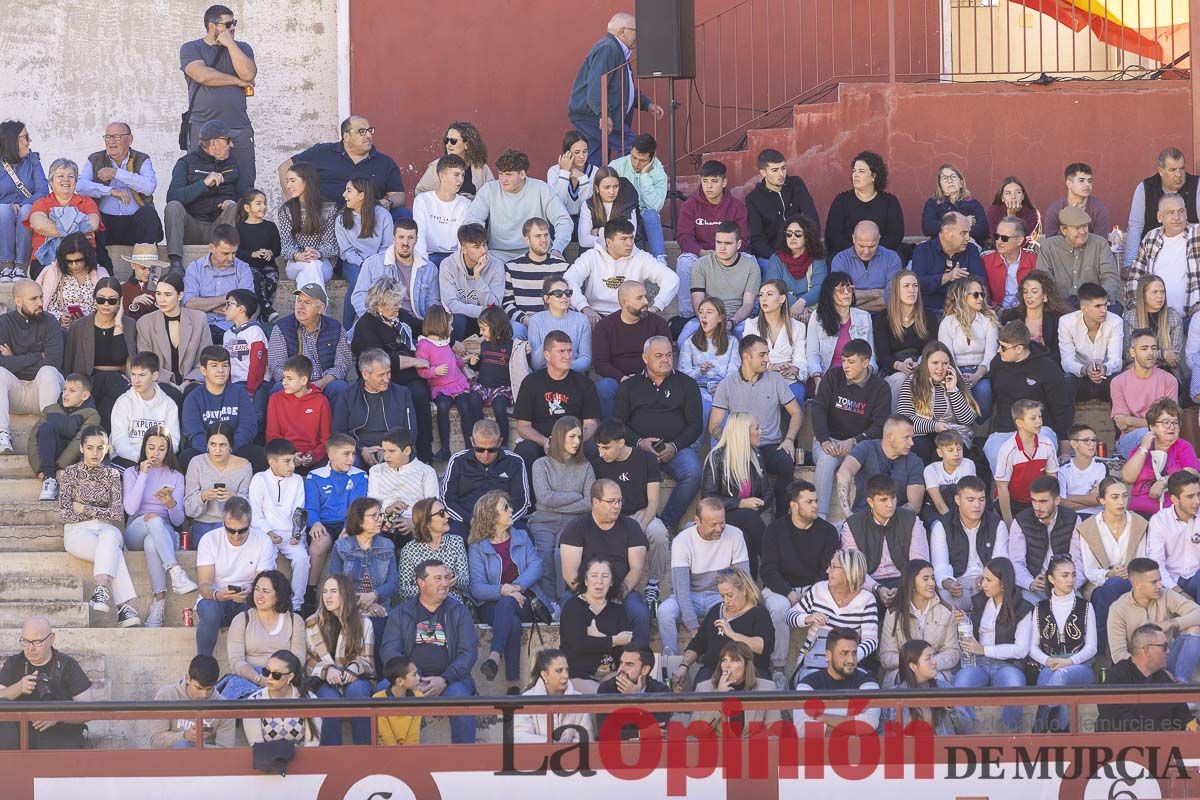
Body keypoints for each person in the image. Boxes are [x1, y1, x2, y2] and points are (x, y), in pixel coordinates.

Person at [379, 559, 478, 744]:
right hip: (408, 680)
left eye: (446, 578)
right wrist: (412, 679)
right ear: (421, 583)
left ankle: (464, 764)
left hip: (450, 680)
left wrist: (445, 678)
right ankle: (387, 761)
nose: (445, 583)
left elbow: (468, 653)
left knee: (461, 699)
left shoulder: (459, 612)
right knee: (379, 694)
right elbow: (390, 651)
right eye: (438, 578)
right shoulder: (401, 613)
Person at [612, 335, 704, 530]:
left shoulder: (687, 384)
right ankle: (629, 528)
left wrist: (675, 446)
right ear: (645, 358)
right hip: (638, 449)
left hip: (675, 447)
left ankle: (666, 525)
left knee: (694, 472)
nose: (665, 360)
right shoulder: (629, 386)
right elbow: (618, 424)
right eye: (659, 355)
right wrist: (639, 443)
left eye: (669, 355)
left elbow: (696, 425)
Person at [469, 491, 554, 693]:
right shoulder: (478, 547)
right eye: (505, 507)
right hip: (492, 605)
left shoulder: (522, 536)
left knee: (509, 603)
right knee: (512, 620)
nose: (511, 510)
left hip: (524, 600)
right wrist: (503, 590)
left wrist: (515, 588)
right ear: (491, 516)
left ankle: (494, 657)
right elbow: (477, 588)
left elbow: (536, 566)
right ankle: (513, 686)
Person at [57, 426, 142, 627]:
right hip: (77, 531)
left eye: (99, 448)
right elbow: (65, 513)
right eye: (90, 448)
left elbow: (116, 514)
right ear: (81, 448)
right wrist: (93, 511)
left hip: (106, 528)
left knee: (110, 536)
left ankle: (101, 589)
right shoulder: (70, 473)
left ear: (107, 449)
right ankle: (124, 608)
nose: (95, 453)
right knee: (113, 552)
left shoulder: (112, 475)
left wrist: (84, 508)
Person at [710, 335, 802, 516]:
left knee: (785, 463)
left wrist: (789, 439)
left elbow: (797, 412)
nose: (767, 359)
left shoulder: (775, 379)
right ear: (746, 356)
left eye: (767, 354)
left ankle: (782, 520)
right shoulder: (727, 384)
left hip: (769, 445)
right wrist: (732, 442)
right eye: (762, 355)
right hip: (740, 449)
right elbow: (714, 425)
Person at [759, 480, 840, 674]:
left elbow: (826, 571)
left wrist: (812, 594)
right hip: (781, 589)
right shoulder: (775, 530)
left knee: (830, 609)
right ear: (794, 505)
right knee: (779, 609)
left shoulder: (828, 531)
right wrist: (789, 594)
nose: (815, 506)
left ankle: (825, 667)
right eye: (809, 502)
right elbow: (768, 570)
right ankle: (778, 669)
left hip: (815, 588)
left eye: (816, 501)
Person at [567, 12, 665, 168]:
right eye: (636, 31)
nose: (638, 37)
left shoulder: (616, 50)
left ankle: (596, 189)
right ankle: (624, 187)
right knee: (631, 146)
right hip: (594, 115)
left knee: (594, 159)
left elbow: (625, 89)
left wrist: (647, 105)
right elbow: (596, 85)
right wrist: (603, 114)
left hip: (590, 114)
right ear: (622, 32)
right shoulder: (608, 48)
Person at [560, 480, 651, 646]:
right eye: (611, 501)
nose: (617, 506)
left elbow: (637, 569)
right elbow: (569, 573)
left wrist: (616, 596)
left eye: (620, 501)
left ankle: (637, 663)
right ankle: (571, 661)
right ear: (595, 502)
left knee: (639, 611)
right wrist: (591, 597)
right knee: (568, 605)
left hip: (621, 590)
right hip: (583, 591)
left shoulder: (631, 527)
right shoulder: (576, 528)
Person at [589, 420, 670, 606]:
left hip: (642, 513)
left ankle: (654, 583)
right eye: (599, 447)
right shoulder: (598, 465)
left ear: (621, 442)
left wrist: (639, 527)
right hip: (612, 514)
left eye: (606, 448)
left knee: (658, 533)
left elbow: (653, 501)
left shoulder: (646, 459)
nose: (602, 453)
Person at [123, 425, 195, 628]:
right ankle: (175, 571)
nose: (155, 453)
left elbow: (179, 520)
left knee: (152, 543)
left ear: (168, 450)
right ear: (144, 447)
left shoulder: (176, 476)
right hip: (136, 528)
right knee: (153, 519)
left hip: (164, 531)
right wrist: (143, 476)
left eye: (161, 448)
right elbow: (130, 508)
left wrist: (170, 503)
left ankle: (159, 605)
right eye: (151, 447)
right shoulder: (132, 472)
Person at [658, 499, 750, 658]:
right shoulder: (682, 540)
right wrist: (694, 627)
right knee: (665, 611)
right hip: (689, 595)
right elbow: (681, 589)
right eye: (712, 524)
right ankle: (671, 661)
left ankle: (730, 659)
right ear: (697, 521)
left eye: (722, 522)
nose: (719, 528)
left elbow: (743, 579)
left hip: (720, 595)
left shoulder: (735, 534)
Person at [951, 557, 1032, 732]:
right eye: (983, 578)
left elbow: (1021, 650)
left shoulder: (1023, 607)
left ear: (1003, 584)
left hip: (1008, 665)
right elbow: (974, 633)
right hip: (978, 663)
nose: (983, 584)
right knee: (958, 687)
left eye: (989, 580)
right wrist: (964, 621)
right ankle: (968, 737)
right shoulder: (980, 602)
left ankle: (1009, 738)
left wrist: (984, 649)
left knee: (1015, 687)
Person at [179, 4, 257, 186]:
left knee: (245, 182)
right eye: (228, 24)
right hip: (202, 127)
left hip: (238, 126)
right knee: (200, 180)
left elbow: (248, 75)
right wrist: (237, 81)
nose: (233, 28)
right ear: (212, 26)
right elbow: (202, 75)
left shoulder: (242, 48)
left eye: (234, 23)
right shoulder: (192, 48)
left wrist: (230, 43)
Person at [984, 321, 1074, 469]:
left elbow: (1061, 407)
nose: (999, 350)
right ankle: (1006, 491)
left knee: (1040, 451)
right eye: (998, 345)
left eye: (1004, 347)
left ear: (1019, 348)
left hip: (1040, 427)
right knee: (994, 452)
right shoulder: (997, 364)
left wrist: (1065, 449)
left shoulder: (1047, 367)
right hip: (1005, 429)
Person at [192, 497, 272, 657]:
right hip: (216, 600)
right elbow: (204, 584)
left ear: (250, 523)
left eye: (242, 530)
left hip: (249, 600)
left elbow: (263, 583)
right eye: (230, 530)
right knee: (210, 610)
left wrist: (251, 595)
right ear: (223, 522)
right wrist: (217, 595)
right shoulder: (210, 540)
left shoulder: (263, 540)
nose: (236, 535)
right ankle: (203, 665)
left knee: (262, 606)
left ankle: (253, 666)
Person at [0, 616, 94, 750]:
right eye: (26, 641)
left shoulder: (67, 665)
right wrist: (18, 688)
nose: (30, 648)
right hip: (19, 742)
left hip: (59, 741)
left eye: (37, 642)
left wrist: (57, 717)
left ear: (51, 639)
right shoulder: (14, 664)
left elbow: (89, 710)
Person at [529, 417, 595, 604]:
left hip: (574, 521)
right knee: (544, 557)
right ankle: (549, 603)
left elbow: (590, 503)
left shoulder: (586, 466)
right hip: (543, 520)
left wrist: (559, 501)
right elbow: (544, 498)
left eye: (579, 437)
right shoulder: (541, 465)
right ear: (559, 437)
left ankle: (563, 601)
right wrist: (575, 495)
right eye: (572, 436)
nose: (577, 442)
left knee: (561, 555)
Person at [163, 121, 245, 274]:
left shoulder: (232, 163)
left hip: (218, 227)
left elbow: (245, 194)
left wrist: (235, 202)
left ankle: (228, 260)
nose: (232, 145)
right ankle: (175, 263)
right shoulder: (186, 163)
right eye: (228, 140)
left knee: (235, 207)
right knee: (173, 206)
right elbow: (173, 196)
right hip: (192, 226)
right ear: (214, 143)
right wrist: (204, 184)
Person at [670, 567, 773, 687]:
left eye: (730, 595)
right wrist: (684, 665)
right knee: (701, 685)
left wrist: (732, 634)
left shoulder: (758, 613)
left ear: (744, 590)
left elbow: (763, 646)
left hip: (750, 672)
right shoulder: (716, 611)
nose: (726, 601)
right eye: (722, 596)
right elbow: (697, 643)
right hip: (714, 671)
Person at [513, 331, 600, 472]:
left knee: (591, 449)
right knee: (525, 450)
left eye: (570, 351)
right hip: (542, 442)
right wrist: (546, 442)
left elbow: (591, 424)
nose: (567, 356)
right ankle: (528, 495)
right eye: (561, 351)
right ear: (547, 355)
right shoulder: (531, 382)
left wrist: (574, 441)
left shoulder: (585, 384)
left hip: (574, 441)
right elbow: (523, 426)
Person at [283, 116, 406, 216]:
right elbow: (285, 167)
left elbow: (399, 195)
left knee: (402, 214)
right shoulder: (323, 153)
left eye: (370, 131)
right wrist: (295, 204)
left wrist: (388, 203)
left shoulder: (385, 162)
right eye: (361, 132)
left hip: (368, 219)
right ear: (346, 136)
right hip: (326, 217)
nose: (368, 135)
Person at [786, 549, 879, 680]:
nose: (828, 571)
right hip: (814, 662)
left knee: (868, 687)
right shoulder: (819, 589)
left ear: (849, 571)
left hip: (848, 666)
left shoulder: (866, 599)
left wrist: (848, 656)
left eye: (833, 567)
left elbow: (871, 641)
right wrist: (808, 618)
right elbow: (790, 616)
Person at [465, 149, 572, 263]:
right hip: (498, 255)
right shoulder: (489, 189)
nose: (503, 179)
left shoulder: (541, 188)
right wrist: (480, 249)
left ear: (522, 174)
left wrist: (557, 249)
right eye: (500, 174)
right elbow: (473, 220)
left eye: (508, 174)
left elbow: (564, 220)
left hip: (537, 252)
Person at [1029, 555, 1096, 732]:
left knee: (1061, 676)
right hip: (1049, 665)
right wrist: (1047, 661)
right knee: (1050, 685)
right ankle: (1062, 732)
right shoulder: (1040, 607)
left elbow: (1092, 647)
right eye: (1065, 575)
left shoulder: (1085, 606)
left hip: (1079, 667)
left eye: (1073, 575)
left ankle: (1039, 731)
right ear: (1051, 579)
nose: (1071, 580)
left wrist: (1069, 662)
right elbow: (1032, 647)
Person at [306, 574, 375, 746]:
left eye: (333, 591)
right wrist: (326, 670)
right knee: (329, 701)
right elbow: (306, 661)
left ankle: (364, 751)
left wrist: (354, 667)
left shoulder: (363, 622)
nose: (327, 596)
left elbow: (367, 660)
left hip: (355, 678)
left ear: (345, 594)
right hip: (323, 680)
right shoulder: (311, 623)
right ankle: (332, 756)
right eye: (324, 592)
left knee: (357, 692)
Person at [1077, 478, 1150, 642]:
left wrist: (1128, 573)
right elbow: (1089, 569)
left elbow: (1143, 559)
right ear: (1102, 500)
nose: (1121, 502)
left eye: (1124, 496)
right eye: (1115, 497)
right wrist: (1110, 573)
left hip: (1134, 581)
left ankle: (1101, 648)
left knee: (1113, 589)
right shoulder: (1089, 527)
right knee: (1110, 588)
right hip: (1099, 584)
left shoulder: (1139, 523)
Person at [563, 219, 678, 322]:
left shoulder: (641, 257)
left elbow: (671, 279)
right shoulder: (591, 256)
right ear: (609, 242)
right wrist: (584, 307)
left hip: (631, 316)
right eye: (623, 239)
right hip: (597, 316)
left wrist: (657, 307)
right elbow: (569, 279)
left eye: (631, 238)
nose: (629, 243)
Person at [840, 474, 931, 604]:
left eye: (893, 498)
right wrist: (877, 588)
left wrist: (902, 588)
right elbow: (853, 570)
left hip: (905, 582)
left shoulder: (911, 520)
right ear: (870, 502)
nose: (890, 504)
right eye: (883, 500)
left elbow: (919, 564)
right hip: (868, 584)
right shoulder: (852, 525)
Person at [676, 160, 750, 319]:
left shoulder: (736, 207)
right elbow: (683, 237)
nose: (709, 186)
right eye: (705, 181)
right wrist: (701, 252)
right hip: (700, 254)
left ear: (724, 182)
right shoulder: (690, 205)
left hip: (729, 254)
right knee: (684, 262)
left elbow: (742, 238)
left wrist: (725, 253)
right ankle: (687, 316)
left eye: (714, 181)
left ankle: (748, 313)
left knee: (751, 261)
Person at [328, 497, 396, 670]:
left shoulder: (387, 545)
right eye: (374, 516)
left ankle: (381, 681)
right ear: (359, 520)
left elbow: (393, 583)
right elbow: (335, 584)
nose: (380, 519)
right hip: (348, 608)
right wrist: (362, 604)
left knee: (381, 628)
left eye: (380, 515)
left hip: (380, 607)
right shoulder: (341, 546)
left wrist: (374, 596)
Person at [1108, 557, 1200, 684]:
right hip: (1139, 670)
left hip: (1165, 659)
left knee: (1194, 628)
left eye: (1160, 580)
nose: (1159, 585)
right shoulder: (1118, 608)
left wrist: (1172, 623)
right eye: (1153, 582)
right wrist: (1158, 671)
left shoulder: (1166, 594)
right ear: (1136, 584)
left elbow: (1198, 612)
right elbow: (1118, 655)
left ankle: (1181, 685)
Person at [701, 414, 770, 576]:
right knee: (748, 517)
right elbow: (708, 499)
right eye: (756, 428)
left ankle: (750, 587)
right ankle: (772, 567)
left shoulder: (756, 456)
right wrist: (740, 503)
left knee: (745, 536)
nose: (761, 432)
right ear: (743, 433)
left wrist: (757, 505)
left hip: (748, 518)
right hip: (722, 516)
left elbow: (767, 493)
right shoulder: (716, 457)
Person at [0, 279, 64, 453]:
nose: (40, 303)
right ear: (18, 301)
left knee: (48, 371)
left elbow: (54, 361)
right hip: (16, 392)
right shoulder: (4, 323)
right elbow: (1, 362)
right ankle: (3, 437)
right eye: (33, 299)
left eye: (41, 297)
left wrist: (14, 359)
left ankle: (49, 434)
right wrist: (36, 356)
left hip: (43, 391)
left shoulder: (50, 322)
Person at [1097, 623, 1198, 733]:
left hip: (1162, 745)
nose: (1168, 651)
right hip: (1125, 747)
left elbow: (1183, 714)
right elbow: (1114, 720)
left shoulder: (1165, 678)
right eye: (1164, 646)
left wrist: (1192, 725)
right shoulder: (1117, 677)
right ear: (1147, 650)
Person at [267, 283, 354, 410]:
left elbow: (342, 365)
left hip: (324, 383)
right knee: (278, 388)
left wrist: (321, 383)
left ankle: (336, 430)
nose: (300, 306)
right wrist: (299, 384)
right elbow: (276, 367)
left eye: (307, 302)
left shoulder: (335, 328)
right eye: (299, 301)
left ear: (321, 308)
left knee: (339, 387)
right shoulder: (282, 327)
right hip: (294, 382)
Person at [220, 569, 305, 699]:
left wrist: (277, 679)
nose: (259, 595)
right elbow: (236, 661)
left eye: (265, 591)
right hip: (249, 677)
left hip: (284, 678)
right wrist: (259, 679)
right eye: (257, 589)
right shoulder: (242, 619)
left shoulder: (294, 620)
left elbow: (298, 659)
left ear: (279, 595)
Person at [930, 476, 1010, 612]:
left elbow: (1000, 561)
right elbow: (940, 565)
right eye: (971, 500)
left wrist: (987, 577)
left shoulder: (997, 524)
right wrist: (948, 582)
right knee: (942, 595)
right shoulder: (942, 526)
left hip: (987, 582)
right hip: (958, 581)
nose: (977, 506)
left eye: (981, 499)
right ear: (957, 500)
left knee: (1004, 592)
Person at [591, 282, 670, 419]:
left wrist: (646, 378)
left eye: (646, 296)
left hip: (651, 377)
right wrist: (624, 379)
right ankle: (611, 435)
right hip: (618, 379)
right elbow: (600, 363)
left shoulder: (657, 323)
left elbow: (665, 357)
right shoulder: (605, 326)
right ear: (624, 302)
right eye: (639, 298)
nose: (646, 301)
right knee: (605, 387)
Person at [333, 346, 419, 470]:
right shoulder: (348, 396)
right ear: (365, 375)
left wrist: (389, 451)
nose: (386, 379)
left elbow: (411, 431)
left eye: (388, 373)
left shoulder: (402, 393)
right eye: (381, 375)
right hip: (359, 450)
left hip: (394, 448)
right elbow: (339, 432)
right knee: (347, 461)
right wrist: (361, 449)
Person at [65, 271, 134, 426]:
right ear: (94, 299)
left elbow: (119, 357)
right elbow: (69, 361)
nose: (106, 305)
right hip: (90, 381)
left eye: (112, 300)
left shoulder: (129, 325)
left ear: (119, 302)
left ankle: (104, 444)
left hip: (119, 382)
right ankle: (135, 408)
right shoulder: (79, 326)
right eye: (101, 299)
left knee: (108, 407)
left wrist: (118, 324)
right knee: (110, 379)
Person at [442, 418, 529, 539]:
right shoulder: (458, 461)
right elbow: (447, 500)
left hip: (504, 520)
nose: (486, 455)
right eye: (480, 449)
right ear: (472, 441)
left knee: (523, 536)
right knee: (454, 538)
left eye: (492, 450)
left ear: (500, 442)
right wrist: (472, 521)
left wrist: (501, 523)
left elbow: (522, 502)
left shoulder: (515, 461)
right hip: (466, 521)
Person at [415, 306, 483, 461]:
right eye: (449, 325)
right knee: (443, 407)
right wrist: (434, 371)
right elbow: (421, 371)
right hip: (440, 387)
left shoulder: (445, 343)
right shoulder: (424, 345)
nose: (452, 329)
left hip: (457, 383)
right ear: (440, 325)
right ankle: (445, 448)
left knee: (464, 406)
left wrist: (466, 360)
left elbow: (453, 362)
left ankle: (469, 445)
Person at [878, 559, 960, 687]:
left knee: (935, 680)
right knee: (904, 681)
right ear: (912, 583)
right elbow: (886, 656)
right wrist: (912, 663)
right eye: (925, 579)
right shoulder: (893, 613)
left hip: (936, 671)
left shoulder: (947, 611)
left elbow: (953, 652)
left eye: (933, 578)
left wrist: (927, 664)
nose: (932, 583)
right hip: (903, 671)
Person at [898, 342, 981, 462]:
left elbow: (968, 419)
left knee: (947, 450)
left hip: (953, 434)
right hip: (922, 434)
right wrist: (935, 426)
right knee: (919, 447)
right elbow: (904, 421)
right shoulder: (912, 383)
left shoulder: (960, 382)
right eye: (935, 363)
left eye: (945, 363)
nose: (940, 368)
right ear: (925, 363)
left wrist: (953, 390)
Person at [180, 345, 260, 470]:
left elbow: (248, 427)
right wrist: (213, 452)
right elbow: (194, 433)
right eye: (214, 365)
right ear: (203, 370)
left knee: (257, 454)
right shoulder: (193, 398)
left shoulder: (239, 393)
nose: (220, 370)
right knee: (187, 457)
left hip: (234, 450)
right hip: (205, 452)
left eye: (224, 365)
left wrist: (228, 450)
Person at [678, 223, 759, 345]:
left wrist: (731, 322)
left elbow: (748, 304)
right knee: (683, 341)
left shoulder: (751, 266)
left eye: (728, 243)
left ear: (738, 244)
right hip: (708, 317)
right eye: (719, 242)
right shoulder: (701, 264)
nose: (722, 247)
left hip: (738, 320)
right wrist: (710, 321)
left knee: (750, 343)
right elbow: (697, 302)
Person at [352, 220, 439, 330]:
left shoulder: (429, 269)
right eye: (401, 237)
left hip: (416, 322)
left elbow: (433, 303)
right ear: (393, 238)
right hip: (381, 320)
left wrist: (431, 327)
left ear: (416, 240)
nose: (405, 243)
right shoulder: (372, 263)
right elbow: (359, 296)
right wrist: (375, 319)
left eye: (411, 238)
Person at [1009, 475, 1084, 604]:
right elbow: (1015, 561)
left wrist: (1069, 584)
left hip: (1066, 585)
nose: (1037, 507)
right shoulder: (1021, 521)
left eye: (1043, 501)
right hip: (1035, 586)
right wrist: (1029, 582)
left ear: (1057, 500)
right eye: (1034, 500)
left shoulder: (1072, 519)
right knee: (1025, 608)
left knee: (1078, 609)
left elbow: (1078, 560)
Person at [559, 556, 633, 686]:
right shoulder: (573, 606)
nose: (599, 581)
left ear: (611, 582)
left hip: (611, 673)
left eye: (605, 576)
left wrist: (598, 638)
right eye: (594, 575)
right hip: (579, 674)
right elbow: (577, 645)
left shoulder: (618, 610)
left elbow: (625, 645)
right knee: (598, 694)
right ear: (586, 580)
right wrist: (613, 640)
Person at [1126, 193, 1200, 319]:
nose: (1177, 217)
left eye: (1181, 211)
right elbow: (1136, 277)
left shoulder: (1197, 233)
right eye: (1171, 212)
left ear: (1186, 213)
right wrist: (1137, 308)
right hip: (1157, 318)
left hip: (1194, 316)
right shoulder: (1151, 238)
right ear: (1160, 217)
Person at [135, 274, 213, 394]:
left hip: (193, 381)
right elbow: (146, 362)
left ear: (180, 295)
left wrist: (186, 384)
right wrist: (171, 384)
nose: (161, 300)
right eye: (158, 293)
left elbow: (206, 358)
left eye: (167, 294)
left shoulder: (199, 319)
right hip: (159, 382)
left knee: (194, 394)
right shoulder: (145, 323)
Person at [835, 415, 926, 518]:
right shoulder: (866, 448)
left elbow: (915, 505)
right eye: (906, 437)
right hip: (861, 517)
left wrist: (883, 520)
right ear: (889, 436)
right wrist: (848, 514)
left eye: (912, 437)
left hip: (897, 522)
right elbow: (844, 473)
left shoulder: (915, 462)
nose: (912, 443)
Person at [1123, 398, 1200, 517]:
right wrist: (1143, 449)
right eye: (1165, 422)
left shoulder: (1183, 446)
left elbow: (1192, 472)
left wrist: (1164, 481)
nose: (1172, 427)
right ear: (1152, 427)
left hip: (1173, 514)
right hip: (1140, 514)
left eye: (1175, 422)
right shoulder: (1142, 448)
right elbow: (1128, 477)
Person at [29, 373, 99, 501]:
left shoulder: (91, 414)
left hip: (72, 461)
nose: (65, 394)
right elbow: (33, 440)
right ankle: (49, 481)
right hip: (49, 457)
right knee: (46, 428)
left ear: (85, 395)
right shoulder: (49, 410)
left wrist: (62, 467)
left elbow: (79, 441)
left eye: (72, 391)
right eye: (64, 389)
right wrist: (39, 468)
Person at [1126, 147, 1199, 269]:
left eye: (1182, 168)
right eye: (1172, 170)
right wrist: (1129, 263)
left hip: (1190, 254)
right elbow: (1135, 227)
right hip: (1154, 253)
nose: (1179, 175)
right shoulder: (1145, 188)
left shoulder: (1197, 185)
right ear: (1160, 170)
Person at [793, 628, 882, 728]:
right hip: (823, 744)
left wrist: (822, 718)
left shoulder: (868, 681)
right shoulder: (808, 684)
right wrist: (853, 726)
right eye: (844, 653)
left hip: (854, 744)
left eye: (854, 653)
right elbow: (803, 729)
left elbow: (869, 724)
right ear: (828, 655)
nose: (851, 660)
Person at [745, 149, 820, 266]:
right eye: (774, 170)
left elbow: (811, 217)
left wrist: (806, 247)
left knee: (819, 264)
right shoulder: (754, 199)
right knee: (770, 273)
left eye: (783, 168)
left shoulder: (796, 184)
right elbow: (757, 238)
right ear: (763, 173)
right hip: (773, 253)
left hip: (801, 248)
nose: (781, 174)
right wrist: (777, 258)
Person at [1035, 205, 1122, 305]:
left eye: (1085, 226)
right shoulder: (1048, 247)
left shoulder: (1100, 244)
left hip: (1095, 305)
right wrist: (1059, 306)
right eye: (1077, 228)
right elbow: (1044, 281)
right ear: (1064, 230)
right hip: (1060, 307)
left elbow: (1110, 277)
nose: (1083, 232)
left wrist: (1099, 301)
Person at [26, 159, 101, 275]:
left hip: (81, 258)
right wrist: (78, 229)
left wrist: (54, 228)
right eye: (60, 176)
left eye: (71, 176)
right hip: (45, 260)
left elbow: (93, 224)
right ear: (51, 181)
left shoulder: (87, 202)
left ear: (75, 181)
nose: (66, 180)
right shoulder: (41, 203)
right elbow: (39, 225)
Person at [1113, 329, 1180, 458]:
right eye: (1144, 348)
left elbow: (1171, 422)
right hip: (1130, 441)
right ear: (1133, 352)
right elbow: (1122, 425)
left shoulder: (1169, 380)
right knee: (1146, 434)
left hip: (1164, 440)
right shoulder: (1118, 382)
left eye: (1153, 348)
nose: (1151, 353)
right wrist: (1156, 425)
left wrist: (1131, 420)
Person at [692, 641, 782, 735]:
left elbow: (774, 730)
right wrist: (719, 699)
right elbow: (697, 732)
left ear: (747, 665)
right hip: (718, 748)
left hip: (753, 747)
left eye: (734, 660)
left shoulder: (767, 688)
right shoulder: (704, 688)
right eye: (724, 660)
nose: (727, 666)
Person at [335, 178, 392, 326]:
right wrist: (364, 263)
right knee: (357, 281)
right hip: (353, 263)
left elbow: (386, 247)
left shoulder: (383, 215)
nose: (343, 195)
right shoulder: (341, 219)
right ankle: (347, 330)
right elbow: (346, 251)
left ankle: (378, 325)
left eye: (348, 191)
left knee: (381, 282)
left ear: (362, 195)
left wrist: (373, 264)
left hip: (379, 262)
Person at [938, 278, 998, 420]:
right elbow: (947, 356)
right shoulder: (948, 323)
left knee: (984, 391)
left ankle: (981, 432)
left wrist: (977, 375)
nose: (980, 298)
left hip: (982, 372)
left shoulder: (988, 321)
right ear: (963, 297)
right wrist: (959, 378)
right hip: (954, 371)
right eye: (975, 295)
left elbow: (991, 355)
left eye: (982, 294)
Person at [875, 270, 935, 408]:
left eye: (915, 286)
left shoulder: (928, 316)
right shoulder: (883, 318)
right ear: (896, 290)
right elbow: (882, 355)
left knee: (918, 379)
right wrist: (899, 365)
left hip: (921, 367)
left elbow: (931, 348)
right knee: (902, 378)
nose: (911, 290)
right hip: (892, 369)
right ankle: (896, 425)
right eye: (906, 286)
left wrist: (919, 364)